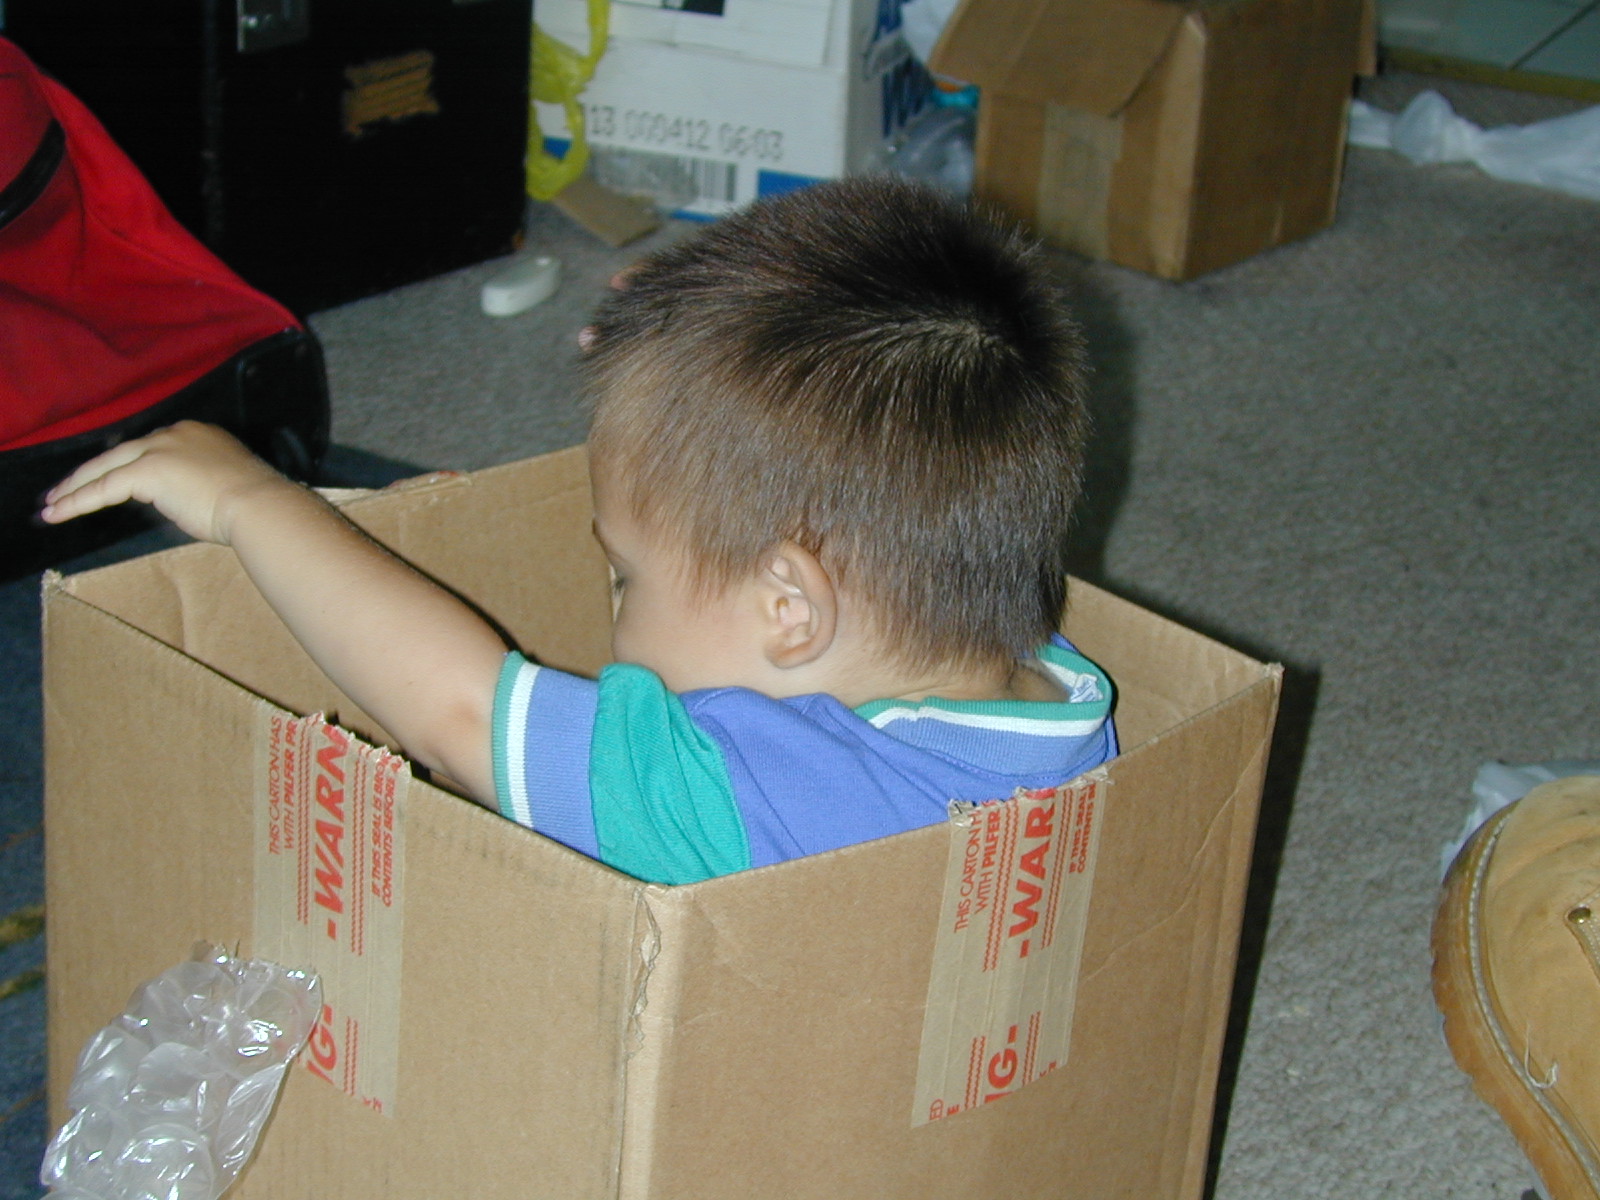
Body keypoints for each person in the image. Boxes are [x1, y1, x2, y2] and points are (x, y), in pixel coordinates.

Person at [41, 176, 1116, 885]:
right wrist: (683, 355)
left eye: (626, 578)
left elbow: (458, 712)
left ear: (789, 608)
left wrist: (252, 502)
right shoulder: (1058, 694)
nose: (611, 605)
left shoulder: (755, 794)